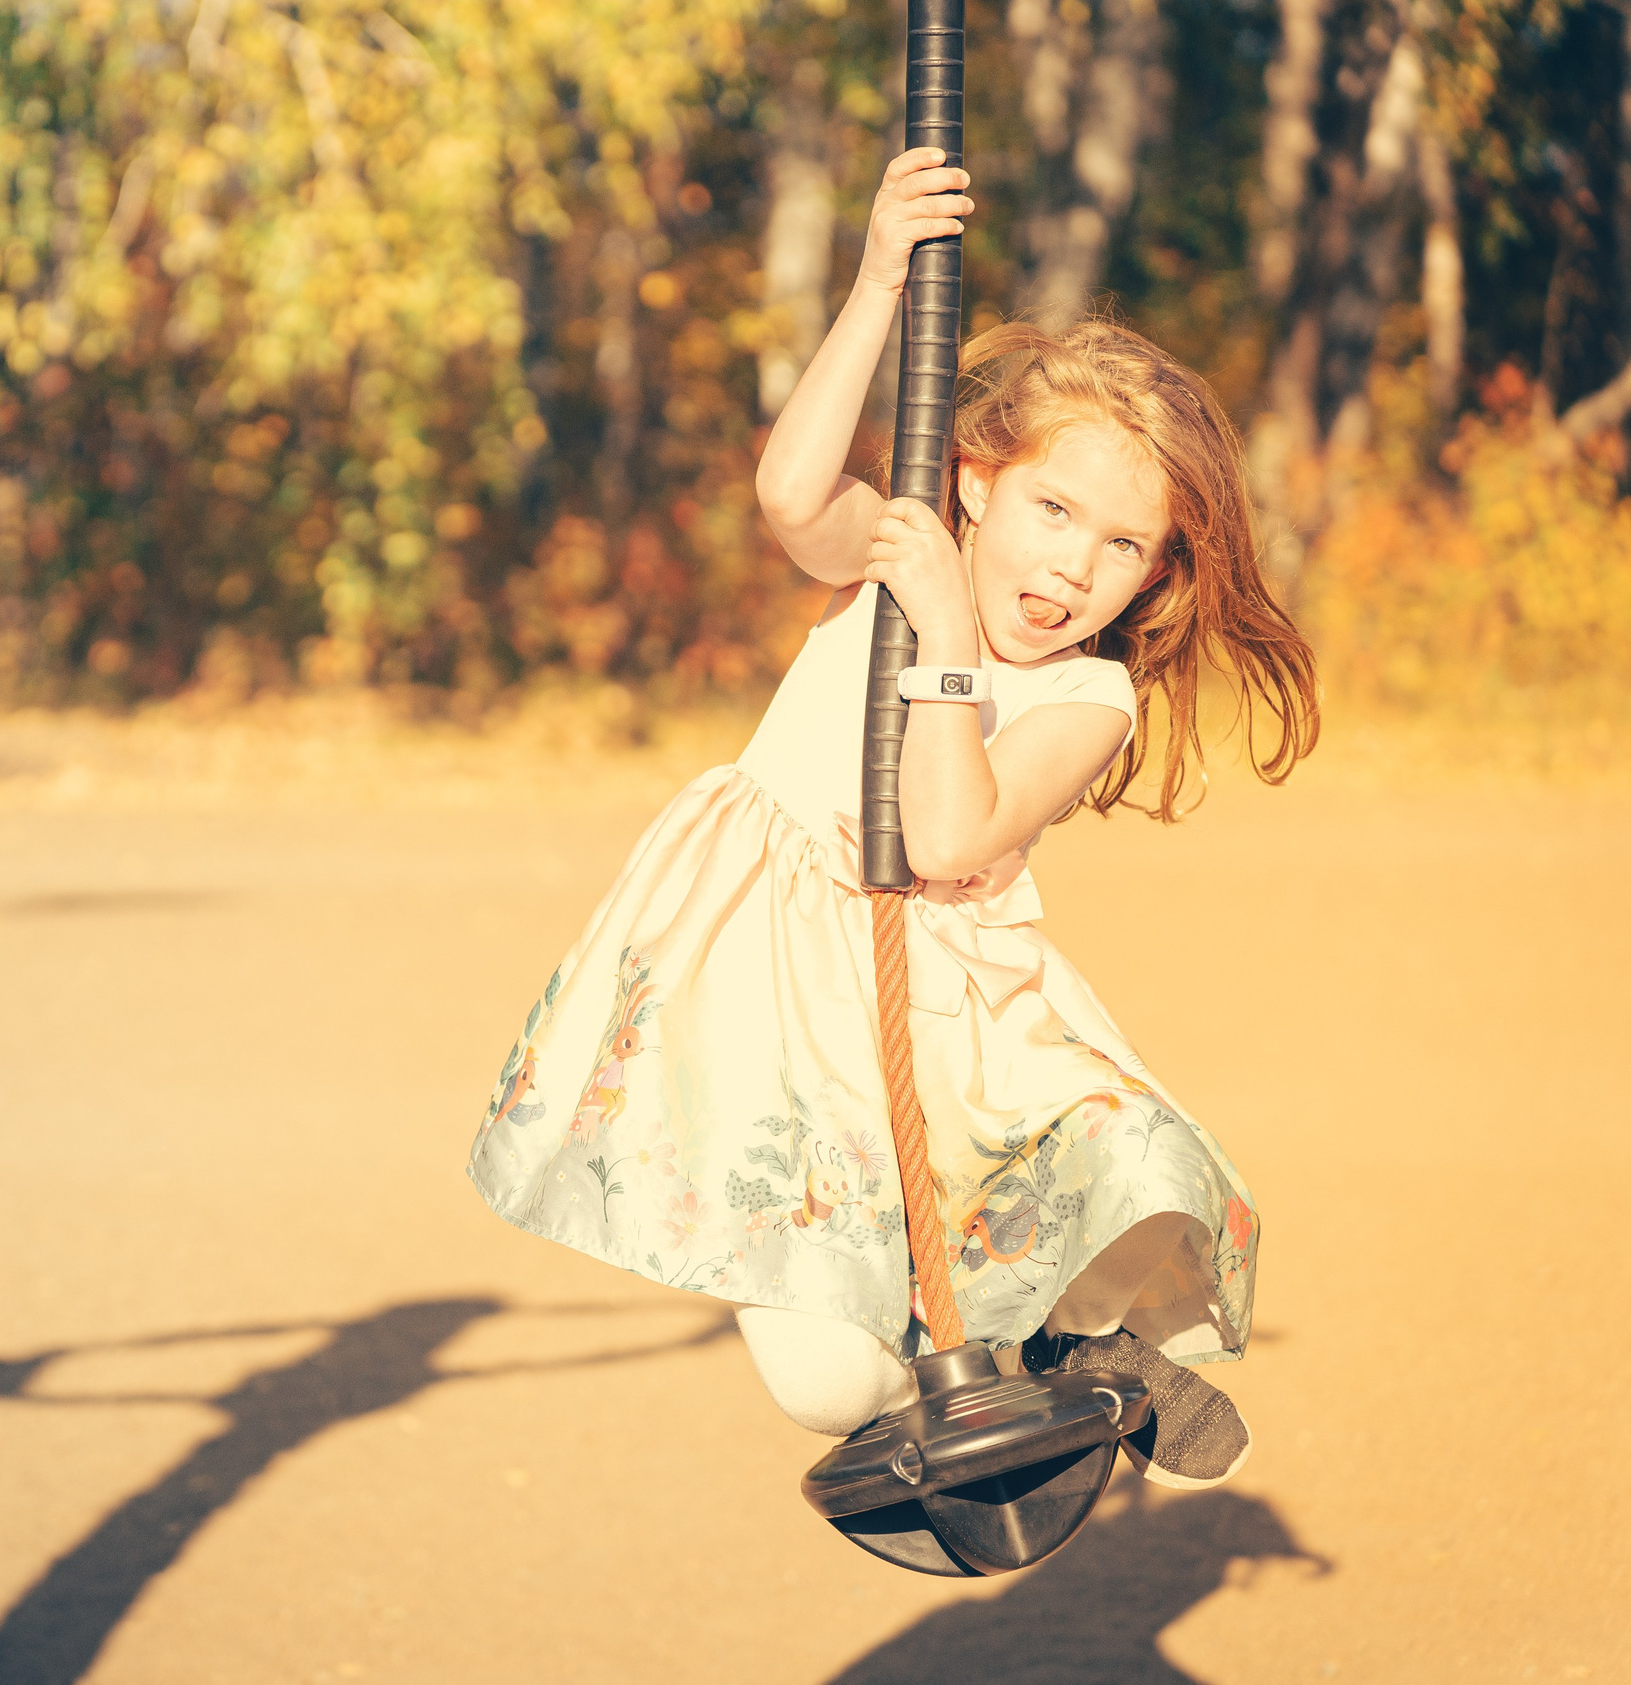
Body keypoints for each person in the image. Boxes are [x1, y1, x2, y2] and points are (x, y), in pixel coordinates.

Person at [465, 148, 1319, 1491]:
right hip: (760, 987)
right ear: (975, 476)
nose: (1070, 567)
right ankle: (1039, 1358)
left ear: (1156, 569)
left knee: (1076, 1198)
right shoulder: (909, 542)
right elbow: (795, 498)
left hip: (929, 1016)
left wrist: (942, 634)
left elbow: (949, 835)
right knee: (829, 1389)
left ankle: (1077, 1345)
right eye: (1052, 508)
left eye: (1120, 546)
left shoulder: (1091, 695)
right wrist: (875, 281)